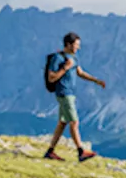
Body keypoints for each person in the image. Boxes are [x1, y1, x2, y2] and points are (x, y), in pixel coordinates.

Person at [44, 32, 105, 161]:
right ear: (68, 44)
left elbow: (80, 73)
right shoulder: (58, 58)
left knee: (62, 123)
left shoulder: (74, 58)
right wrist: (65, 68)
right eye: (77, 45)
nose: (79, 48)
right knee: (74, 122)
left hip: (70, 94)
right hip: (63, 93)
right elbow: (51, 78)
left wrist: (96, 80)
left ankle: (50, 151)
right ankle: (81, 151)